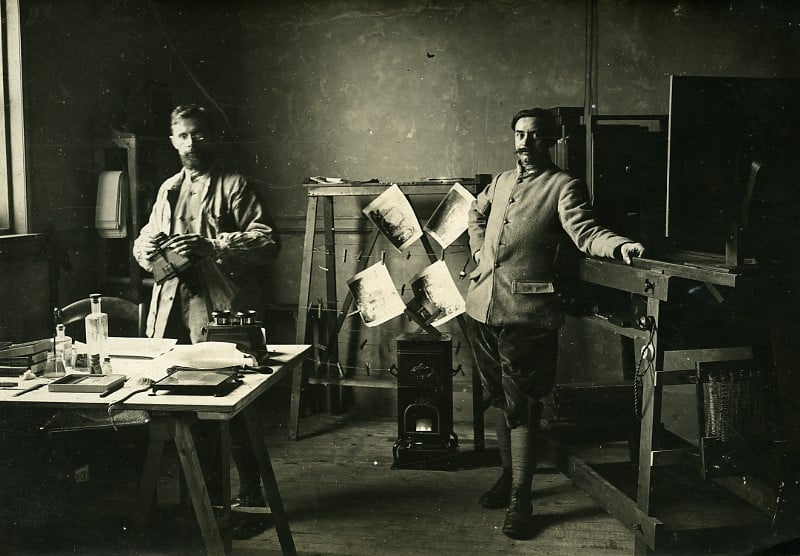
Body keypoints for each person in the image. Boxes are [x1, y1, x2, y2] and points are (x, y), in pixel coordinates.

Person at [464, 108, 644, 540]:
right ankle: (510, 476)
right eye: (519, 135)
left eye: (535, 137)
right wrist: (477, 255)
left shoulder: (563, 186)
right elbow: (476, 213)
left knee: (523, 405)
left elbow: (586, 232)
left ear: (550, 141)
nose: (525, 144)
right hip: (480, 309)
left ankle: (521, 499)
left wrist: (620, 246)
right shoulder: (502, 181)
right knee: (498, 401)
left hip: (527, 315)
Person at [133, 103, 278, 539]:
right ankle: (201, 503)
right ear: (173, 140)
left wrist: (213, 245)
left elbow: (266, 240)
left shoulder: (236, 184)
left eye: (198, 134)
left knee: (228, 406)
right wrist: (149, 247)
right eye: (182, 136)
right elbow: (144, 243)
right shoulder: (168, 189)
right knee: (177, 407)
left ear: (211, 136)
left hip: (218, 311)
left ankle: (249, 495)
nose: (191, 143)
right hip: (173, 312)